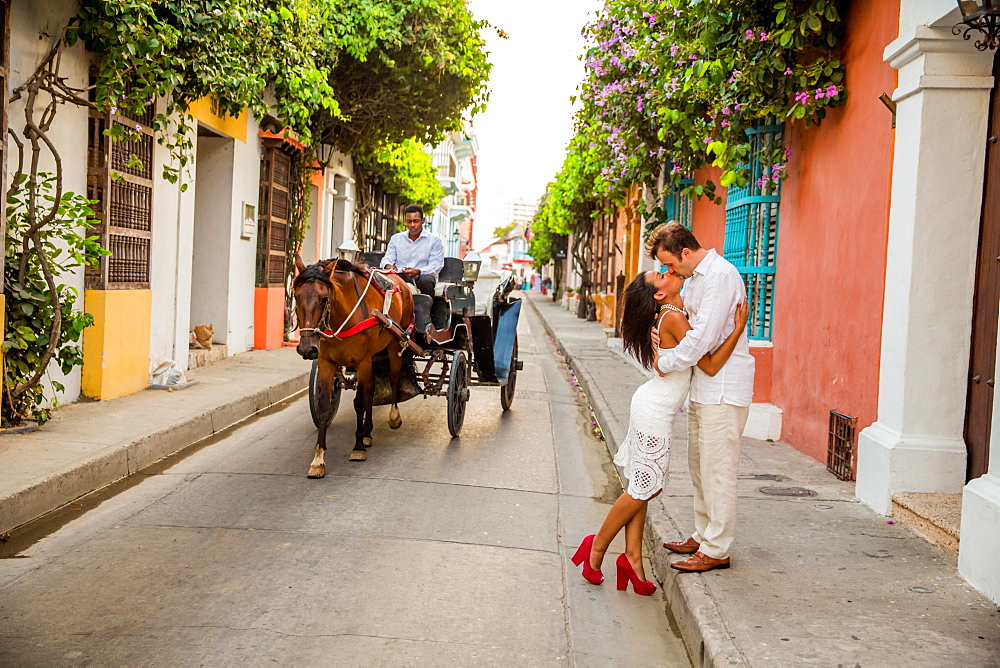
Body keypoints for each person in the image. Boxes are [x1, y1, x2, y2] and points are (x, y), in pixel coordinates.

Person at [571, 268, 748, 594]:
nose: (668, 272)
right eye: (661, 275)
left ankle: (632, 559)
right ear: (659, 295)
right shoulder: (673, 319)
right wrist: (737, 329)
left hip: (653, 406)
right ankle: (595, 548)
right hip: (655, 412)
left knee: (643, 485)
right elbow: (708, 365)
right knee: (644, 489)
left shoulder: (672, 315)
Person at [648, 222, 755, 574]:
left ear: (687, 252)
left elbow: (702, 338)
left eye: (671, 264)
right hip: (704, 386)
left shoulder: (720, 277)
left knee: (718, 470)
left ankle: (716, 549)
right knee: (699, 467)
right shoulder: (695, 278)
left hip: (723, 388)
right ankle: (703, 534)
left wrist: (666, 362)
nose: (670, 271)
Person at [382, 204, 444, 296]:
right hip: (400, 275)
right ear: (405, 221)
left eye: (416, 221)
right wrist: (388, 265)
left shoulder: (434, 241)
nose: (412, 225)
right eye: (409, 222)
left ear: (423, 220)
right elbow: (388, 257)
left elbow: (435, 265)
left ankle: (426, 309)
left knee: (427, 280)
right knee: (387, 280)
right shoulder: (396, 238)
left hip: (422, 276)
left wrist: (418, 271)